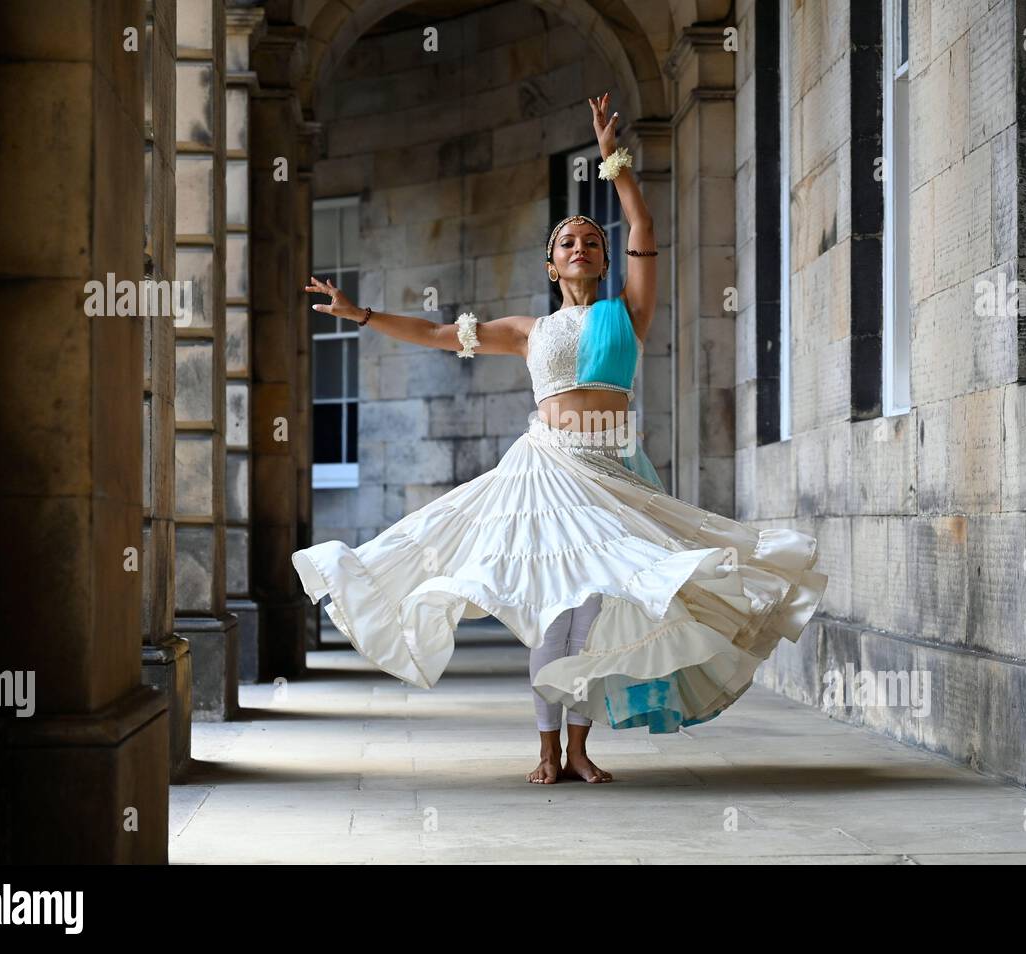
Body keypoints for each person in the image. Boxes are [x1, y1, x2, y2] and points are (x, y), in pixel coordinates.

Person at [294, 93, 827, 785]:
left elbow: (641, 219)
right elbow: (431, 333)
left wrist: (613, 161)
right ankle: (547, 748)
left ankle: (579, 747)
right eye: (567, 242)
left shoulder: (627, 310)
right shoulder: (527, 330)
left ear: (605, 259)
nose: (581, 246)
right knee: (554, 615)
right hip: (547, 471)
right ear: (552, 266)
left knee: (595, 614)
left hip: (614, 469)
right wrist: (359, 313)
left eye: (591, 241)